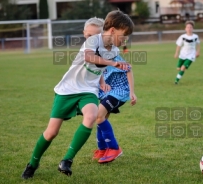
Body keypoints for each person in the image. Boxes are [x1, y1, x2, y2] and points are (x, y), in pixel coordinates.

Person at [21, 10, 134, 179]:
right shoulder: (93, 40)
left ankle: (67, 160)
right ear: (112, 30)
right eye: (124, 35)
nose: (126, 40)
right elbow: (90, 58)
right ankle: (32, 164)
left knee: (91, 116)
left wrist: (103, 80)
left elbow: (102, 66)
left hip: (88, 91)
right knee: (51, 132)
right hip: (67, 90)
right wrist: (113, 63)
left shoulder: (114, 50)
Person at [82, 17, 137, 164]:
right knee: (101, 118)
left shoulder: (112, 52)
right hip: (107, 91)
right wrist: (102, 83)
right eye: (88, 36)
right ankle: (102, 149)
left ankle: (114, 148)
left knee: (99, 116)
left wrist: (132, 92)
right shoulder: (95, 51)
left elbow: (128, 68)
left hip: (119, 91)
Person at [174, 20, 200, 84]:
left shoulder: (195, 37)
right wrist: (176, 53)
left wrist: (198, 52)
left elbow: (198, 44)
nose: (189, 29)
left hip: (191, 54)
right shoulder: (182, 37)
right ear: (185, 28)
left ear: (193, 28)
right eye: (188, 27)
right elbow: (179, 45)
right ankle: (181, 71)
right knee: (178, 68)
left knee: (183, 67)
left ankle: (176, 81)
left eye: (190, 27)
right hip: (183, 54)